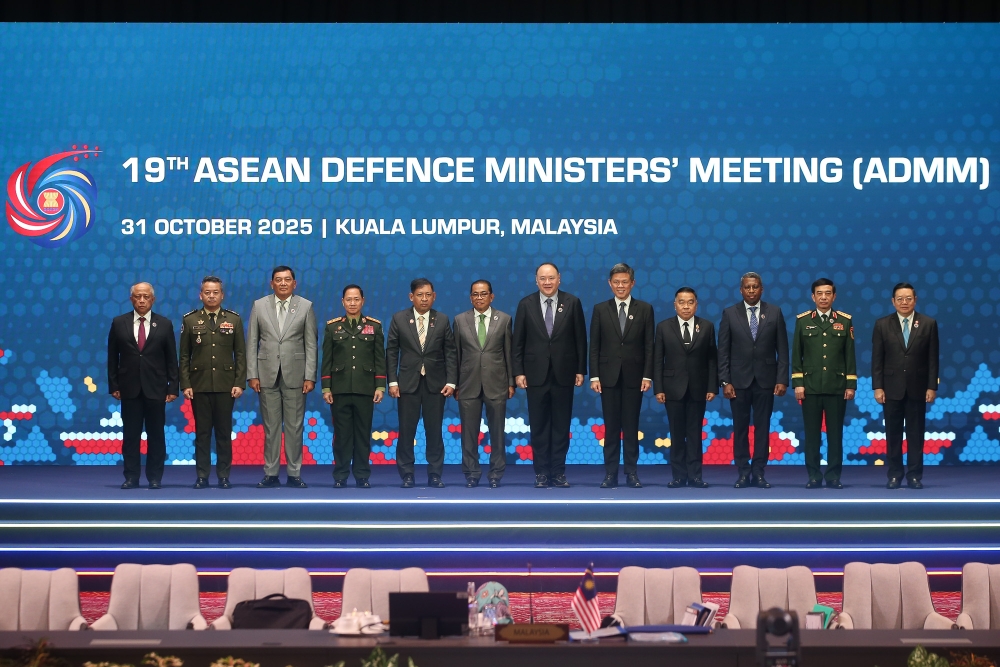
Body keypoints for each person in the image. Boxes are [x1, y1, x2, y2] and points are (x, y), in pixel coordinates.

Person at [512, 262, 587, 488]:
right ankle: (541, 473)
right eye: (543, 278)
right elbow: (518, 342)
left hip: (564, 374)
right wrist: (518, 372)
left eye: (551, 278)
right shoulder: (526, 304)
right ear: (536, 280)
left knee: (561, 426)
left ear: (559, 279)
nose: (547, 282)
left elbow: (580, 340)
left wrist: (580, 369)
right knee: (539, 426)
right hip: (535, 376)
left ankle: (559, 472)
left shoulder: (572, 302)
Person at [246, 266, 318, 489]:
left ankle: (294, 473)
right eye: (279, 280)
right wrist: (252, 374)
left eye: (288, 280)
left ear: (294, 284)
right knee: (271, 427)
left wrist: (310, 376)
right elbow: (252, 342)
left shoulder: (306, 306)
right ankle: (271, 473)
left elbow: (311, 344)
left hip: (296, 375)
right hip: (266, 374)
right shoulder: (259, 305)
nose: (283, 283)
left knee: (295, 427)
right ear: (272, 283)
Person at [718, 272, 789, 489]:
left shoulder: (775, 313)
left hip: (766, 381)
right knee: (740, 428)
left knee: (762, 427)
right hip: (738, 382)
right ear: (741, 290)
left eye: (755, 287)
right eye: (747, 287)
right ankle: (742, 471)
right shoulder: (730, 313)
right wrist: (725, 381)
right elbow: (723, 351)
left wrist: (782, 379)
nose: (751, 291)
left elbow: (783, 350)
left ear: (762, 289)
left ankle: (759, 471)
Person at [386, 278, 457, 488]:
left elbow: (450, 353)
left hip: (436, 385)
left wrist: (451, 381)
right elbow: (391, 352)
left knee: (434, 431)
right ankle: (407, 473)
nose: (424, 299)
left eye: (428, 295)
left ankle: (435, 474)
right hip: (407, 384)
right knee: (406, 431)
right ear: (411, 297)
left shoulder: (442, 320)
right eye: (420, 295)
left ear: (434, 296)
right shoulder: (399, 319)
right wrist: (392, 381)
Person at [589, 262, 655, 489]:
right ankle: (610, 474)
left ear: (632, 283)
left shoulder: (645, 309)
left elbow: (649, 346)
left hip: (635, 378)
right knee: (611, 427)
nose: (620, 286)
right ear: (610, 284)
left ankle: (632, 473)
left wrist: (648, 376)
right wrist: (594, 376)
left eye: (624, 282)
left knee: (631, 426)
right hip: (607, 378)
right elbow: (594, 346)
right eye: (616, 282)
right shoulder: (600, 309)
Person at [107, 282, 178, 489]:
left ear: (153, 299)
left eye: (146, 296)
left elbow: (171, 359)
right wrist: (113, 385)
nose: (142, 300)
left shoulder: (164, 324)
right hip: (128, 388)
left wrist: (173, 387)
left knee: (156, 435)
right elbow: (112, 357)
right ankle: (131, 477)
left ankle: (155, 478)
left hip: (156, 388)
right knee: (130, 435)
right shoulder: (119, 323)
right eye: (138, 296)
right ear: (131, 299)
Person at [179, 276, 247, 490]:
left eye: (215, 292)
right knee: (202, 434)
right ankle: (202, 476)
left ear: (222, 295)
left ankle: (224, 476)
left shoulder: (234, 320)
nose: (211, 295)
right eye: (207, 292)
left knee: (224, 434)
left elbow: (241, 354)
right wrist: (186, 384)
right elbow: (184, 356)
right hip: (198, 386)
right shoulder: (190, 320)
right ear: (201, 295)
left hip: (226, 387)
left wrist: (239, 382)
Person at [871, 282, 939, 490]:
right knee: (893, 435)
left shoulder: (928, 323)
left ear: (915, 300)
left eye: (908, 298)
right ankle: (894, 475)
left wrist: (931, 386)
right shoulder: (882, 324)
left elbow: (933, 359)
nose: (904, 302)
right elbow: (877, 359)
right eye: (900, 299)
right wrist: (878, 387)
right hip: (891, 388)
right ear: (893, 301)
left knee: (916, 435)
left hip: (918, 388)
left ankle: (915, 476)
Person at [791, 278, 856, 490]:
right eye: (819, 293)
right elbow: (796, 355)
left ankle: (834, 476)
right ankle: (813, 476)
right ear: (813, 297)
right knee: (812, 434)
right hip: (809, 387)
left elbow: (850, 355)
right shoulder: (803, 321)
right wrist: (798, 384)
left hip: (836, 386)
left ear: (834, 296)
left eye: (828, 293)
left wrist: (850, 384)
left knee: (835, 434)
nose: (824, 297)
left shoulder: (845, 321)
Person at [321, 284, 386, 488]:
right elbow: (327, 360)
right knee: (341, 436)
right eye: (348, 299)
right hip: (339, 389)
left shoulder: (374, 326)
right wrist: (326, 387)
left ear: (363, 301)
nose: (352, 303)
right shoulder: (333, 327)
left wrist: (380, 386)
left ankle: (362, 475)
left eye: (356, 299)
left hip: (365, 388)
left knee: (362, 434)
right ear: (342, 302)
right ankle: (340, 475)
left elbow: (379, 359)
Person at [653, 287, 718, 489]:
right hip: (672, 389)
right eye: (682, 302)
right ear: (675, 305)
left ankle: (695, 476)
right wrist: (659, 388)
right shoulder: (664, 327)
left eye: (690, 302)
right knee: (677, 433)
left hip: (698, 388)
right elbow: (657, 360)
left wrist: (712, 387)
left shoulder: (706, 327)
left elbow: (712, 360)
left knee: (695, 434)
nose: (686, 306)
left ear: (696, 305)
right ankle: (679, 476)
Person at [453, 280, 514, 488]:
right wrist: (455, 383)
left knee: (497, 432)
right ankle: (471, 473)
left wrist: (511, 382)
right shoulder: (460, 320)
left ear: (492, 296)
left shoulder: (504, 319)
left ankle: (496, 473)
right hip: (468, 384)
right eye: (475, 294)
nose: (479, 298)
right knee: (468, 433)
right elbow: (456, 356)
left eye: (483, 294)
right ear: (470, 297)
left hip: (496, 384)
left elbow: (509, 354)